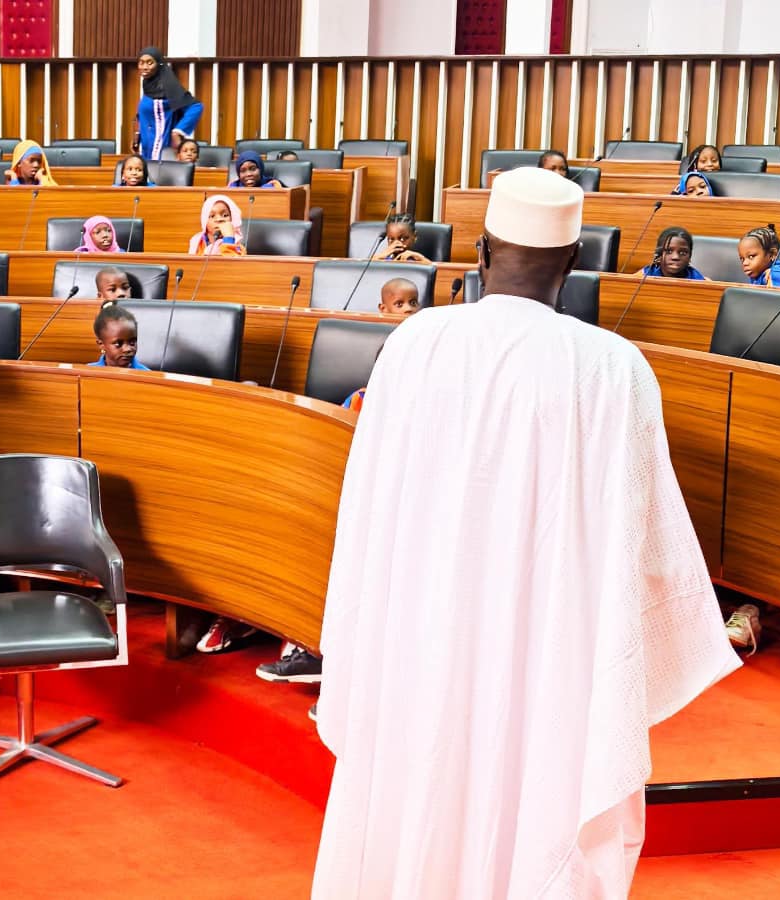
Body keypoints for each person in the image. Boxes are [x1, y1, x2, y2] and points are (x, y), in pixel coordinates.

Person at [311, 166, 738, 898]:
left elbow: (368, 506)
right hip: (551, 649)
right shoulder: (612, 366)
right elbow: (641, 538)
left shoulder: (417, 342)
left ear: (480, 252)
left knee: (419, 797)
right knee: (536, 793)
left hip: (424, 631)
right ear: (574, 261)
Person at [133, 47, 203, 162]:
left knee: (153, 171)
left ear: (159, 64)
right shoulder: (149, 83)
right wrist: (137, 134)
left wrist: (178, 131)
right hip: (146, 143)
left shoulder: (167, 85)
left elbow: (196, 106)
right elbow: (145, 113)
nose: (145, 67)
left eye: (150, 63)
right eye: (141, 63)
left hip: (160, 146)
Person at [89, 301, 147, 369]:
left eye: (132, 343)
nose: (127, 349)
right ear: (101, 344)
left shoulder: (146, 374)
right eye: (118, 344)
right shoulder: (88, 372)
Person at [641, 226, 705, 280]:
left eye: (682, 253)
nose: (675, 257)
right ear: (658, 254)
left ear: (690, 256)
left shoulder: (700, 281)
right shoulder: (642, 277)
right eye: (669, 251)